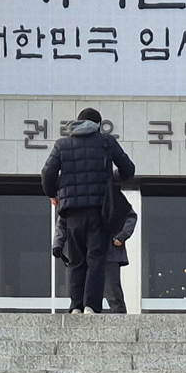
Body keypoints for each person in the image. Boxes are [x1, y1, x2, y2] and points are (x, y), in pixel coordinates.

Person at [42, 108, 137, 315]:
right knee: (96, 259)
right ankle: (90, 306)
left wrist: (53, 194)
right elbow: (128, 169)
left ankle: (75, 306)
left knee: (76, 260)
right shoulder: (106, 142)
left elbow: (47, 172)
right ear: (98, 124)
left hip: (72, 212)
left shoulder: (62, 144)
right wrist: (113, 178)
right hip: (99, 210)